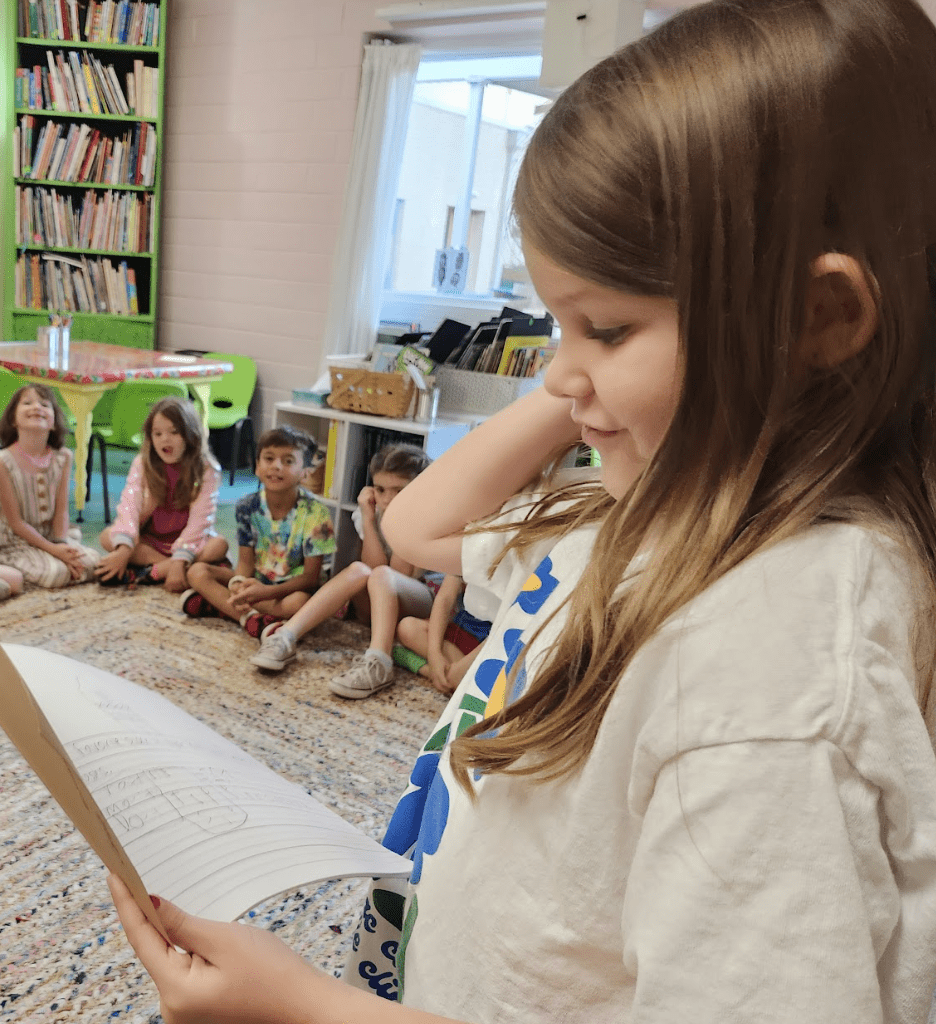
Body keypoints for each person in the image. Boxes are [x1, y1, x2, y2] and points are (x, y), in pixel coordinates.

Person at [108, 0, 936, 1021]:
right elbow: (417, 528)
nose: (557, 372)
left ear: (817, 320)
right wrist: (592, 367)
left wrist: (308, 1010)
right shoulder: (651, 498)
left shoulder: (775, 672)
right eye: (554, 321)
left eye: (606, 324)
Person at [250, 443, 434, 698]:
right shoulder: (373, 512)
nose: (387, 499)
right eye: (380, 490)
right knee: (359, 569)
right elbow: (372, 567)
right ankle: (285, 637)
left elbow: (397, 573)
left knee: (381, 575)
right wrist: (369, 520)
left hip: (421, 604)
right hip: (379, 599)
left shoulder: (427, 518)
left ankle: (380, 661)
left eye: (399, 490)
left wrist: (399, 521)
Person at [179, 425, 337, 638]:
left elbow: (311, 578)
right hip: (256, 581)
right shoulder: (247, 506)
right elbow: (245, 562)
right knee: (196, 572)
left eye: (288, 461)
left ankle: (221, 606)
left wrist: (266, 592)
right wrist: (238, 585)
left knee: (300, 603)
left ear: (305, 473)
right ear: (257, 467)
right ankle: (251, 619)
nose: (276, 467)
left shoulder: (317, 513)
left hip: (287, 590)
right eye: (269, 459)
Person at [95, 396, 228, 592]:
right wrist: (124, 550)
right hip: (153, 541)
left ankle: (154, 571)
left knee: (219, 545)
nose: (165, 439)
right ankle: (169, 567)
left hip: (191, 540)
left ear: (190, 434)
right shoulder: (143, 463)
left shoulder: (206, 469)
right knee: (108, 536)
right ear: (150, 437)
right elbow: (129, 507)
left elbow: (200, 521)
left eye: (174, 432)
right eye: (157, 434)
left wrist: (181, 557)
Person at [0, 384, 99, 591]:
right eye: (27, 403)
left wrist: (61, 544)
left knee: (93, 563)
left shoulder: (63, 457)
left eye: (45, 404)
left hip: (51, 536)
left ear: (54, 422)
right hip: (14, 542)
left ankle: (53, 559)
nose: (36, 407)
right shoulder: (4, 461)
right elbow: (16, 523)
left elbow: (62, 510)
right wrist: (54, 551)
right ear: (12, 420)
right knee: (57, 573)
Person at [395, 574, 492, 694]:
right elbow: (445, 598)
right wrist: (434, 654)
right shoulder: (464, 558)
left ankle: (428, 670)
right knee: (407, 627)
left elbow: (503, 633)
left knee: (465, 683)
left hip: (488, 645)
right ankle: (450, 676)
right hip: (460, 629)